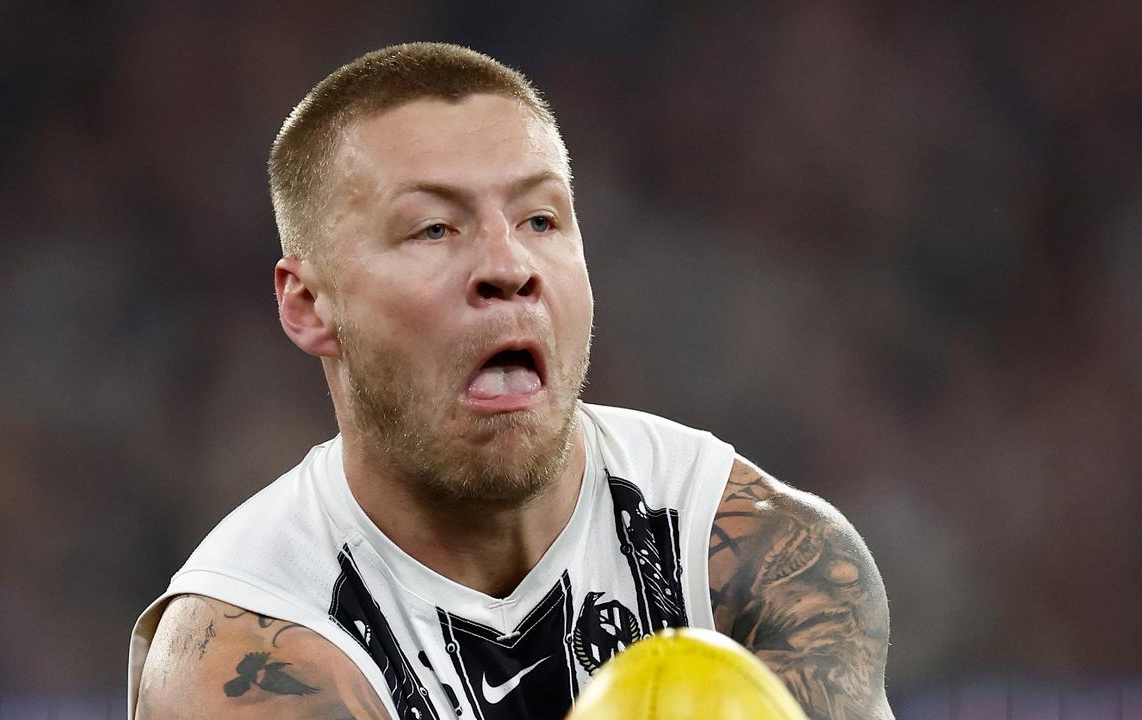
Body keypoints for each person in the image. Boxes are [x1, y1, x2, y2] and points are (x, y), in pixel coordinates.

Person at [128, 42, 892, 720]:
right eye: (435, 228)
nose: (508, 267)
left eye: (541, 220)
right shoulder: (245, 657)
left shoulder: (761, 562)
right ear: (309, 303)